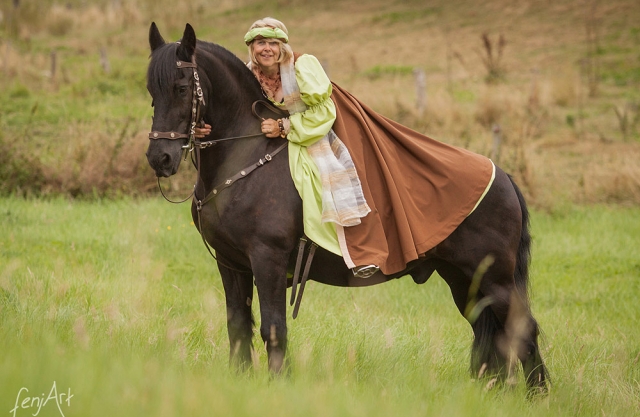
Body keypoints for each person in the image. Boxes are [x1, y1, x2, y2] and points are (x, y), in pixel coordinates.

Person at [196, 17, 495, 280]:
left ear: (282, 46)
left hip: (320, 133)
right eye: (260, 43)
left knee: (334, 177)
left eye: (272, 43)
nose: (266, 49)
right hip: (279, 141)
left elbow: (325, 113)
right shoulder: (249, 75)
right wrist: (207, 129)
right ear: (251, 47)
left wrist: (286, 128)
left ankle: (360, 254)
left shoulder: (301, 67)